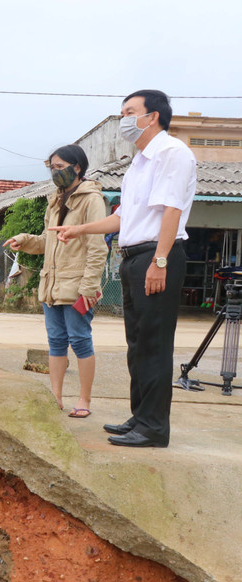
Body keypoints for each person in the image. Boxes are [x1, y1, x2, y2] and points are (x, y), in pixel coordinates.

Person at [51, 89, 197, 448]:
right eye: (121, 113)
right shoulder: (139, 163)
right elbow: (122, 218)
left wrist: (160, 261)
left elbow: (171, 210)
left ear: (154, 117)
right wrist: (79, 229)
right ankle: (141, 418)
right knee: (137, 344)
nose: (123, 120)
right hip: (134, 257)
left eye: (130, 112)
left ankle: (153, 429)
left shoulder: (172, 153)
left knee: (154, 344)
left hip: (156, 255)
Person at [3, 145, 108, 417]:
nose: (54, 171)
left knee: (80, 341)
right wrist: (25, 241)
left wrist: (88, 288)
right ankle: (56, 397)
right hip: (51, 286)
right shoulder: (56, 200)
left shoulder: (91, 200)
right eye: (51, 167)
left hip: (77, 288)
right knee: (56, 342)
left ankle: (84, 401)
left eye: (59, 166)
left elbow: (98, 248)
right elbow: (46, 241)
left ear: (77, 168)